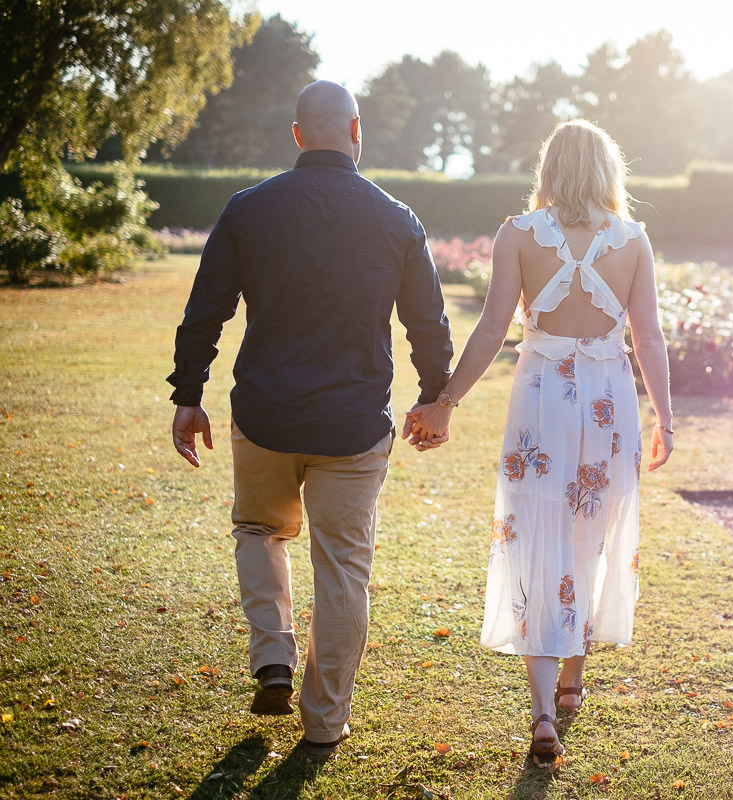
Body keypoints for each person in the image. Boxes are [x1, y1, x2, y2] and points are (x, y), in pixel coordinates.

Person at [167, 80, 454, 757]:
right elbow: (428, 322)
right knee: (343, 568)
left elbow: (205, 310)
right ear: (356, 131)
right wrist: (435, 396)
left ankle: (271, 657)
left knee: (257, 527)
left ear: (298, 135)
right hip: (354, 427)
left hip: (265, 415)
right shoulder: (397, 218)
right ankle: (324, 722)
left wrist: (187, 394)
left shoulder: (248, 209)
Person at [406, 119, 674, 768]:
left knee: (535, 538)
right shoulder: (633, 240)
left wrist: (446, 401)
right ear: (610, 170)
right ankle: (573, 679)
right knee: (591, 536)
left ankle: (543, 713)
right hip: (610, 405)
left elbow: (494, 327)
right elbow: (650, 339)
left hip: (541, 403)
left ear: (548, 169)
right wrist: (666, 415)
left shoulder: (518, 236)